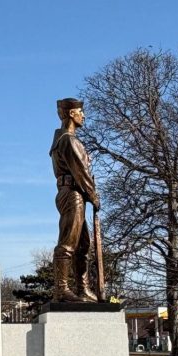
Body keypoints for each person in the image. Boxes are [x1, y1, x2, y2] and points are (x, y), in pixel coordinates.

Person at [50, 97, 101, 302]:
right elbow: (81, 173)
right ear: (72, 113)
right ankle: (61, 289)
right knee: (68, 243)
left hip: (74, 193)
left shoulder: (62, 139)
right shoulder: (69, 140)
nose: (84, 115)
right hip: (73, 193)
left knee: (83, 245)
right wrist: (93, 195)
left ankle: (83, 288)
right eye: (81, 111)